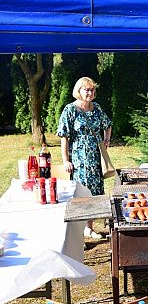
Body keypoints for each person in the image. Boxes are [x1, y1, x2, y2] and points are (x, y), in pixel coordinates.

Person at [57, 77, 112, 239]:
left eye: (92, 90)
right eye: (86, 89)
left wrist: (106, 139)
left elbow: (107, 124)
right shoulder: (70, 110)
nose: (90, 92)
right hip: (78, 161)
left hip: (95, 159)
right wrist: (65, 160)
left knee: (94, 193)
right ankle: (77, 232)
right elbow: (64, 137)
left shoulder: (97, 109)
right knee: (80, 194)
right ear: (79, 91)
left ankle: (89, 227)